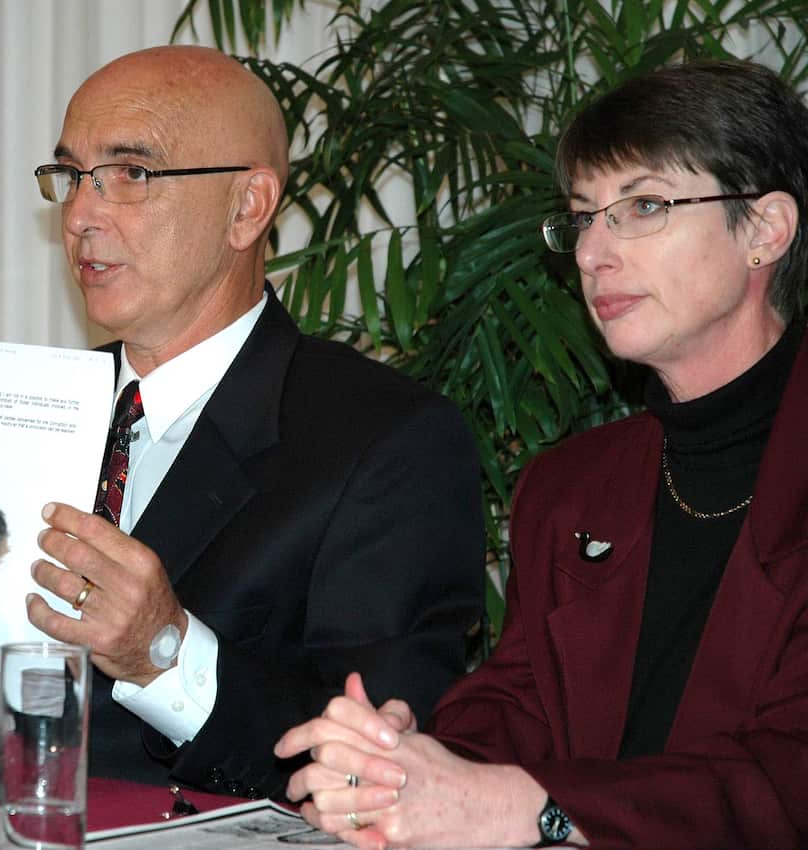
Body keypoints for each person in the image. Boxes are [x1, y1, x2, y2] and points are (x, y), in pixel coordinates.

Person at [275, 59, 808, 849]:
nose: (592, 253)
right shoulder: (571, 486)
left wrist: (531, 807)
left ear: (765, 229)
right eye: (585, 217)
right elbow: (519, 703)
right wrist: (415, 762)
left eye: (644, 206)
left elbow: (789, 774)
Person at [23, 45, 484, 799]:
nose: (79, 215)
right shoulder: (30, 403)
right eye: (72, 176)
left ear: (247, 207)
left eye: (131, 174)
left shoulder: (387, 441)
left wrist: (165, 655)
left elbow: (374, 757)